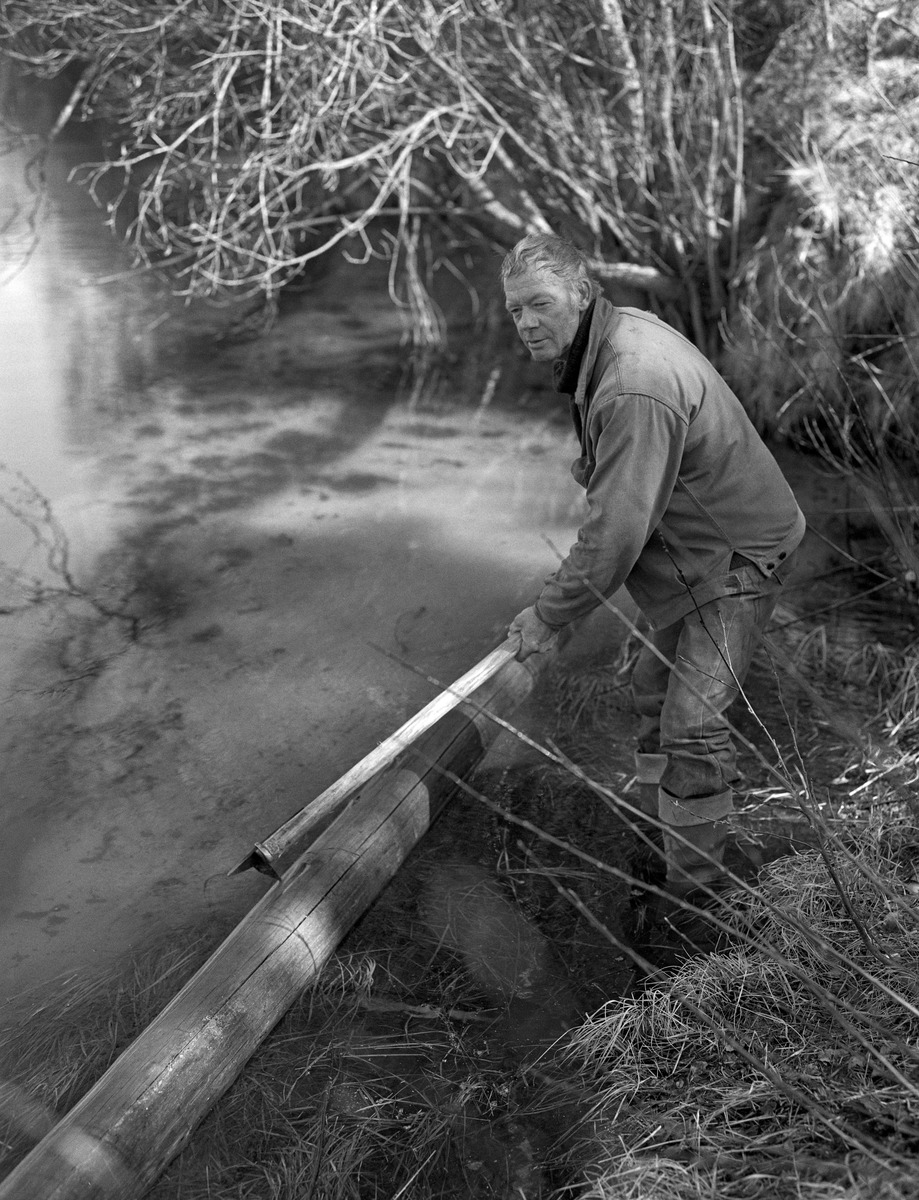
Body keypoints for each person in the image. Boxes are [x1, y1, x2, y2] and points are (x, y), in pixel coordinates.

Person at [502, 232, 805, 914]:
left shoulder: (632, 380)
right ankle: (656, 827)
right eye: (514, 310)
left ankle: (698, 894)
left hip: (733, 557)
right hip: (694, 547)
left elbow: (614, 534)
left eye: (539, 304)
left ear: (580, 295)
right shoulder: (608, 342)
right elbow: (624, 491)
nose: (524, 323)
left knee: (691, 724)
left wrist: (548, 617)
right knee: (649, 688)